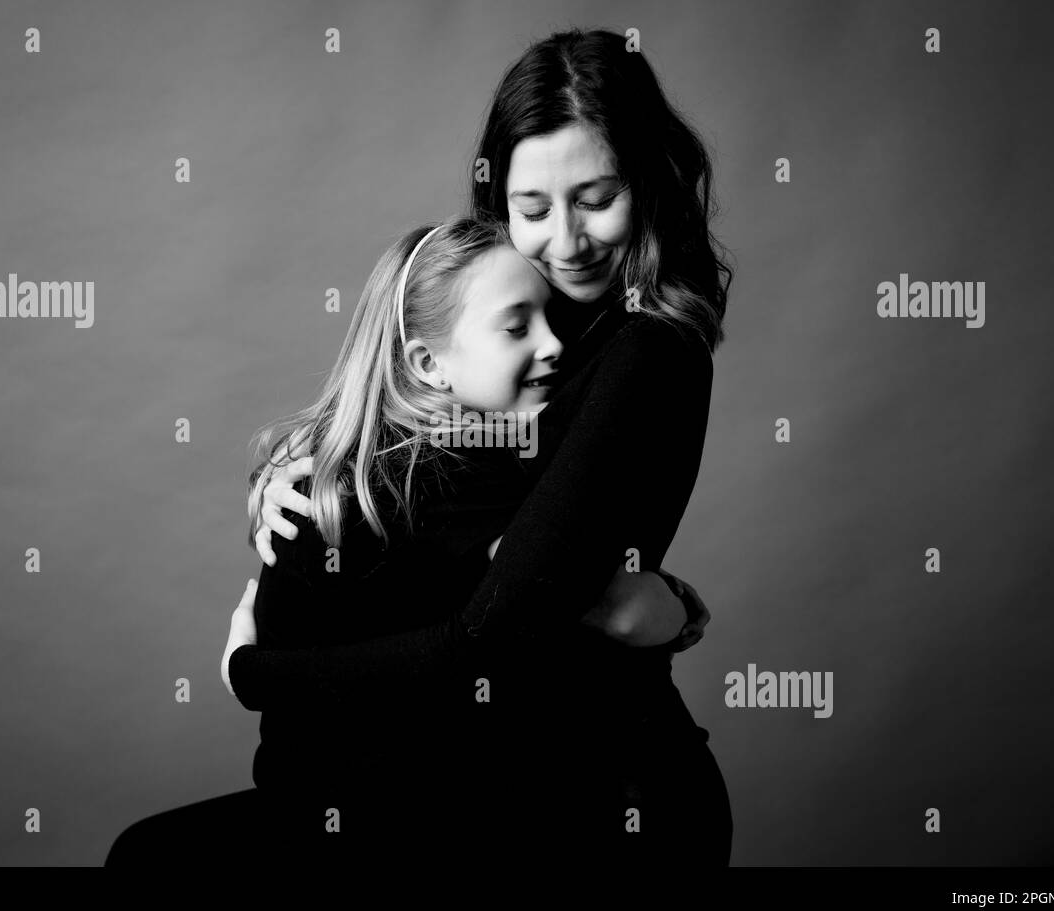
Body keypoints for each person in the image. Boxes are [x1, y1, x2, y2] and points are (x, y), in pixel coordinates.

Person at [244, 28, 734, 860]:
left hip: (606, 789)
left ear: (647, 180)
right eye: (532, 209)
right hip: (479, 777)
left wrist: (248, 671)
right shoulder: (519, 326)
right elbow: (439, 492)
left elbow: (499, 624)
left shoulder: (648, 353)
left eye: (597, 197)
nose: (566, 243)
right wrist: (302, 471)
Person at [106, 216, 706, 865]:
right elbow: (595, 614)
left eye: (550, 318)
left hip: (330, 804)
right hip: (395, 821)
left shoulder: (345, 467)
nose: (555, 344)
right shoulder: (444, 478)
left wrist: (247, 666)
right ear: (428, 363)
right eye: (517, 325)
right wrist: (681, 609)